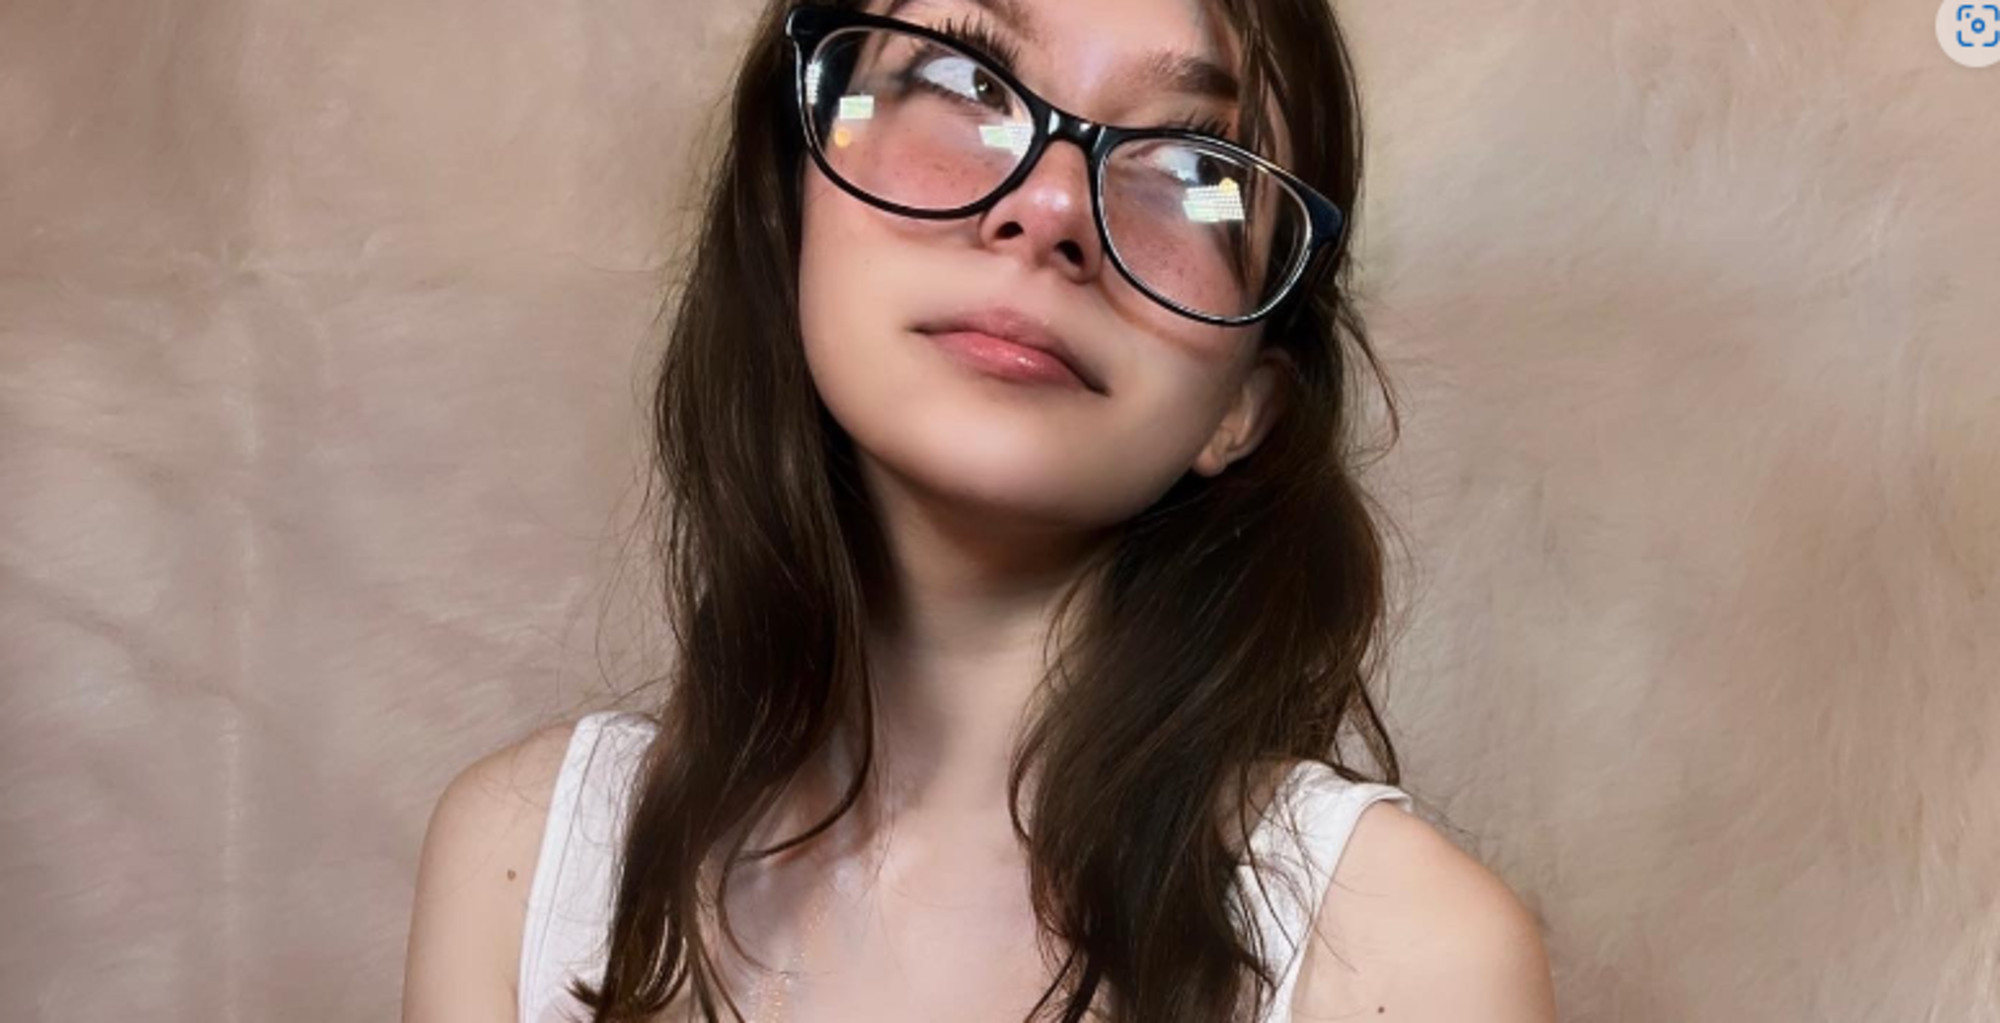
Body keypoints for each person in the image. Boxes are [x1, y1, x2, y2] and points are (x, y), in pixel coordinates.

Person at [403, 0, 1559, 1020]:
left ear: (1246, 403)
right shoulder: (525, 864)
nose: (1048, 207)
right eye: (962, 80)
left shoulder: (1408, 961)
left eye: (1192, 167)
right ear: (791, 203)